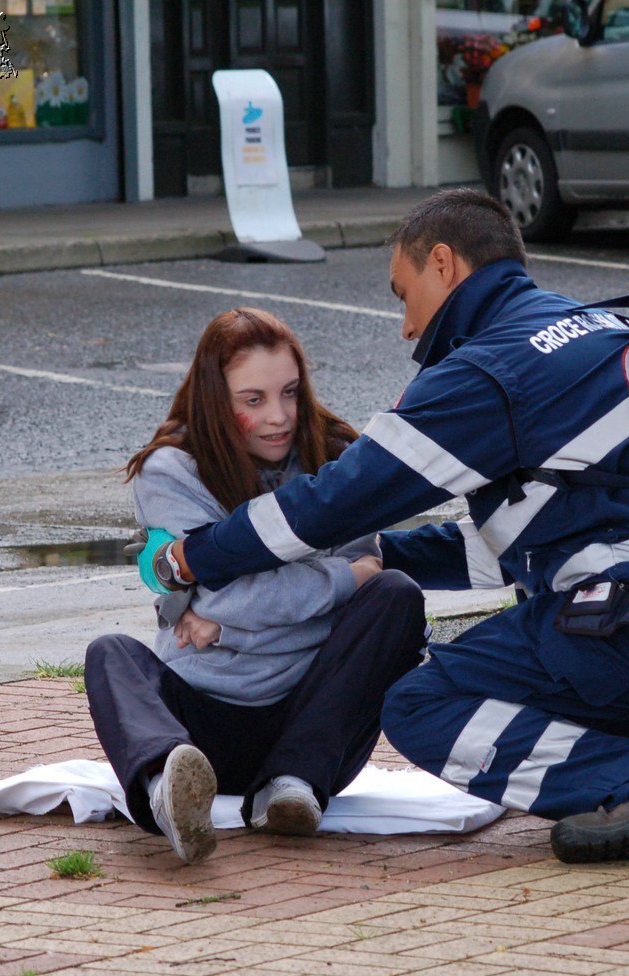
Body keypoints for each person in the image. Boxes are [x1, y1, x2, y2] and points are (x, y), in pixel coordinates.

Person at [141, 188, 629, 864]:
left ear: (443, 264)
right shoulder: (586, 326)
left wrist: (197, 559)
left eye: (403, 295)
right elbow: (515, 545)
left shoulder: (487, 370)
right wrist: (374, 560)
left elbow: (334, 502)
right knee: (549, 631)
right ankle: (613, 790)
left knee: (424, 702)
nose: (405, 327)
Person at [87, 308, 427, 865]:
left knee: (395, 594)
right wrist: (336, 584)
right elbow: (229, 595)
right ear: (215, 401)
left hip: (314, 723)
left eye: (291, 393)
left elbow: (228, 603)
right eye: (254, 400)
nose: (280, 417)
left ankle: (290, 788)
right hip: (201, 722)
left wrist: (223, 626)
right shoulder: (172, 468)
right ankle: (168, 789)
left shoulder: (339, 452)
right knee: (109, 654)